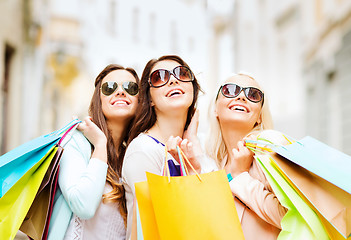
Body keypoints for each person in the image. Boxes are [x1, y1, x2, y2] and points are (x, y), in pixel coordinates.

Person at [122, 55, 211, 239]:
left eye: (182, 73)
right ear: (150, 99)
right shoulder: (143, 150)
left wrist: (194, 146)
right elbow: (155, 226)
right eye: (159, 77)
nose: (172, 79)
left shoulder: (200, 146)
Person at [48, 64, 139, 240]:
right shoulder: (76, 143)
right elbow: (84, 206)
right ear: (99, 99)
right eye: (110, 87)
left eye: (130, 87)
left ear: (140, 100)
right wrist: (100, 145)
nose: (120, 92)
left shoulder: (133, 154)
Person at [206, 73, 287, 240]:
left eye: (253, 95)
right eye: (230, 90)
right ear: (215, 109)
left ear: (259, 117)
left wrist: (241, 177)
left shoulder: (270, 149)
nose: (242, 96)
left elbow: (291, 217)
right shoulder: (213, 163)